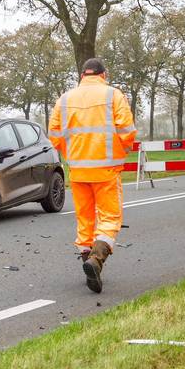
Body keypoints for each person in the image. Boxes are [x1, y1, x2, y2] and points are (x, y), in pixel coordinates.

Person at [48, 58, 137, 293]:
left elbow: (54, 135)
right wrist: (123, 150)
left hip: (78, 170)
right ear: (103, 75)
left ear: (82, 76)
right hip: (106, 169)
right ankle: (96, 260)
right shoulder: (113, 95)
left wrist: (71, 154)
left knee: (85, 219)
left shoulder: (65, 99)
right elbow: (127, 130)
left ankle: (86, 259)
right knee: (110, 218)